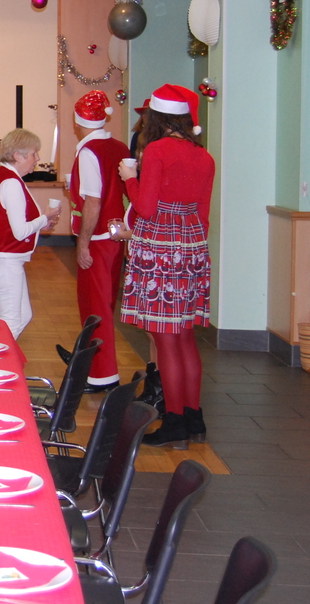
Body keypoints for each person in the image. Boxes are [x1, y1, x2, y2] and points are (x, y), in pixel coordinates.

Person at [119, 84, 215, 449]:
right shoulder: (204, 156)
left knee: (165, 339)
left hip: (160, 247)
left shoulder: (158, 150)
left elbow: (145, 207)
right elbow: (203, 215)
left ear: (157, 117)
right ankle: (194, 418)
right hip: (192, 245)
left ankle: (174, 422)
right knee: (186, 337)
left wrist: (129, 178)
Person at [65, 90, 131, 393]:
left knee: (95, 307)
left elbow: (93, 201)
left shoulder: (88, 152)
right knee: (105, 302)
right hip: (115, 236)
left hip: (98, 238)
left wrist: (83, 243)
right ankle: (93, 365)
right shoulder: (119, 146)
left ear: (77, 121)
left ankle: (102, 373)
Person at [0, 129, 61, 338]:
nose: (38, 159)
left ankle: (0, 354)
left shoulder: (4, 177)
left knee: (23, 316)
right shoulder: (10, 182)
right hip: (4, 259)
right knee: (11, 321)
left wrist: (41, 223)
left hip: (3, 258)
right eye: (34, 153)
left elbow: (13, 224)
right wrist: (45, 217)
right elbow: (20, 231)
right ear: (18, 155)